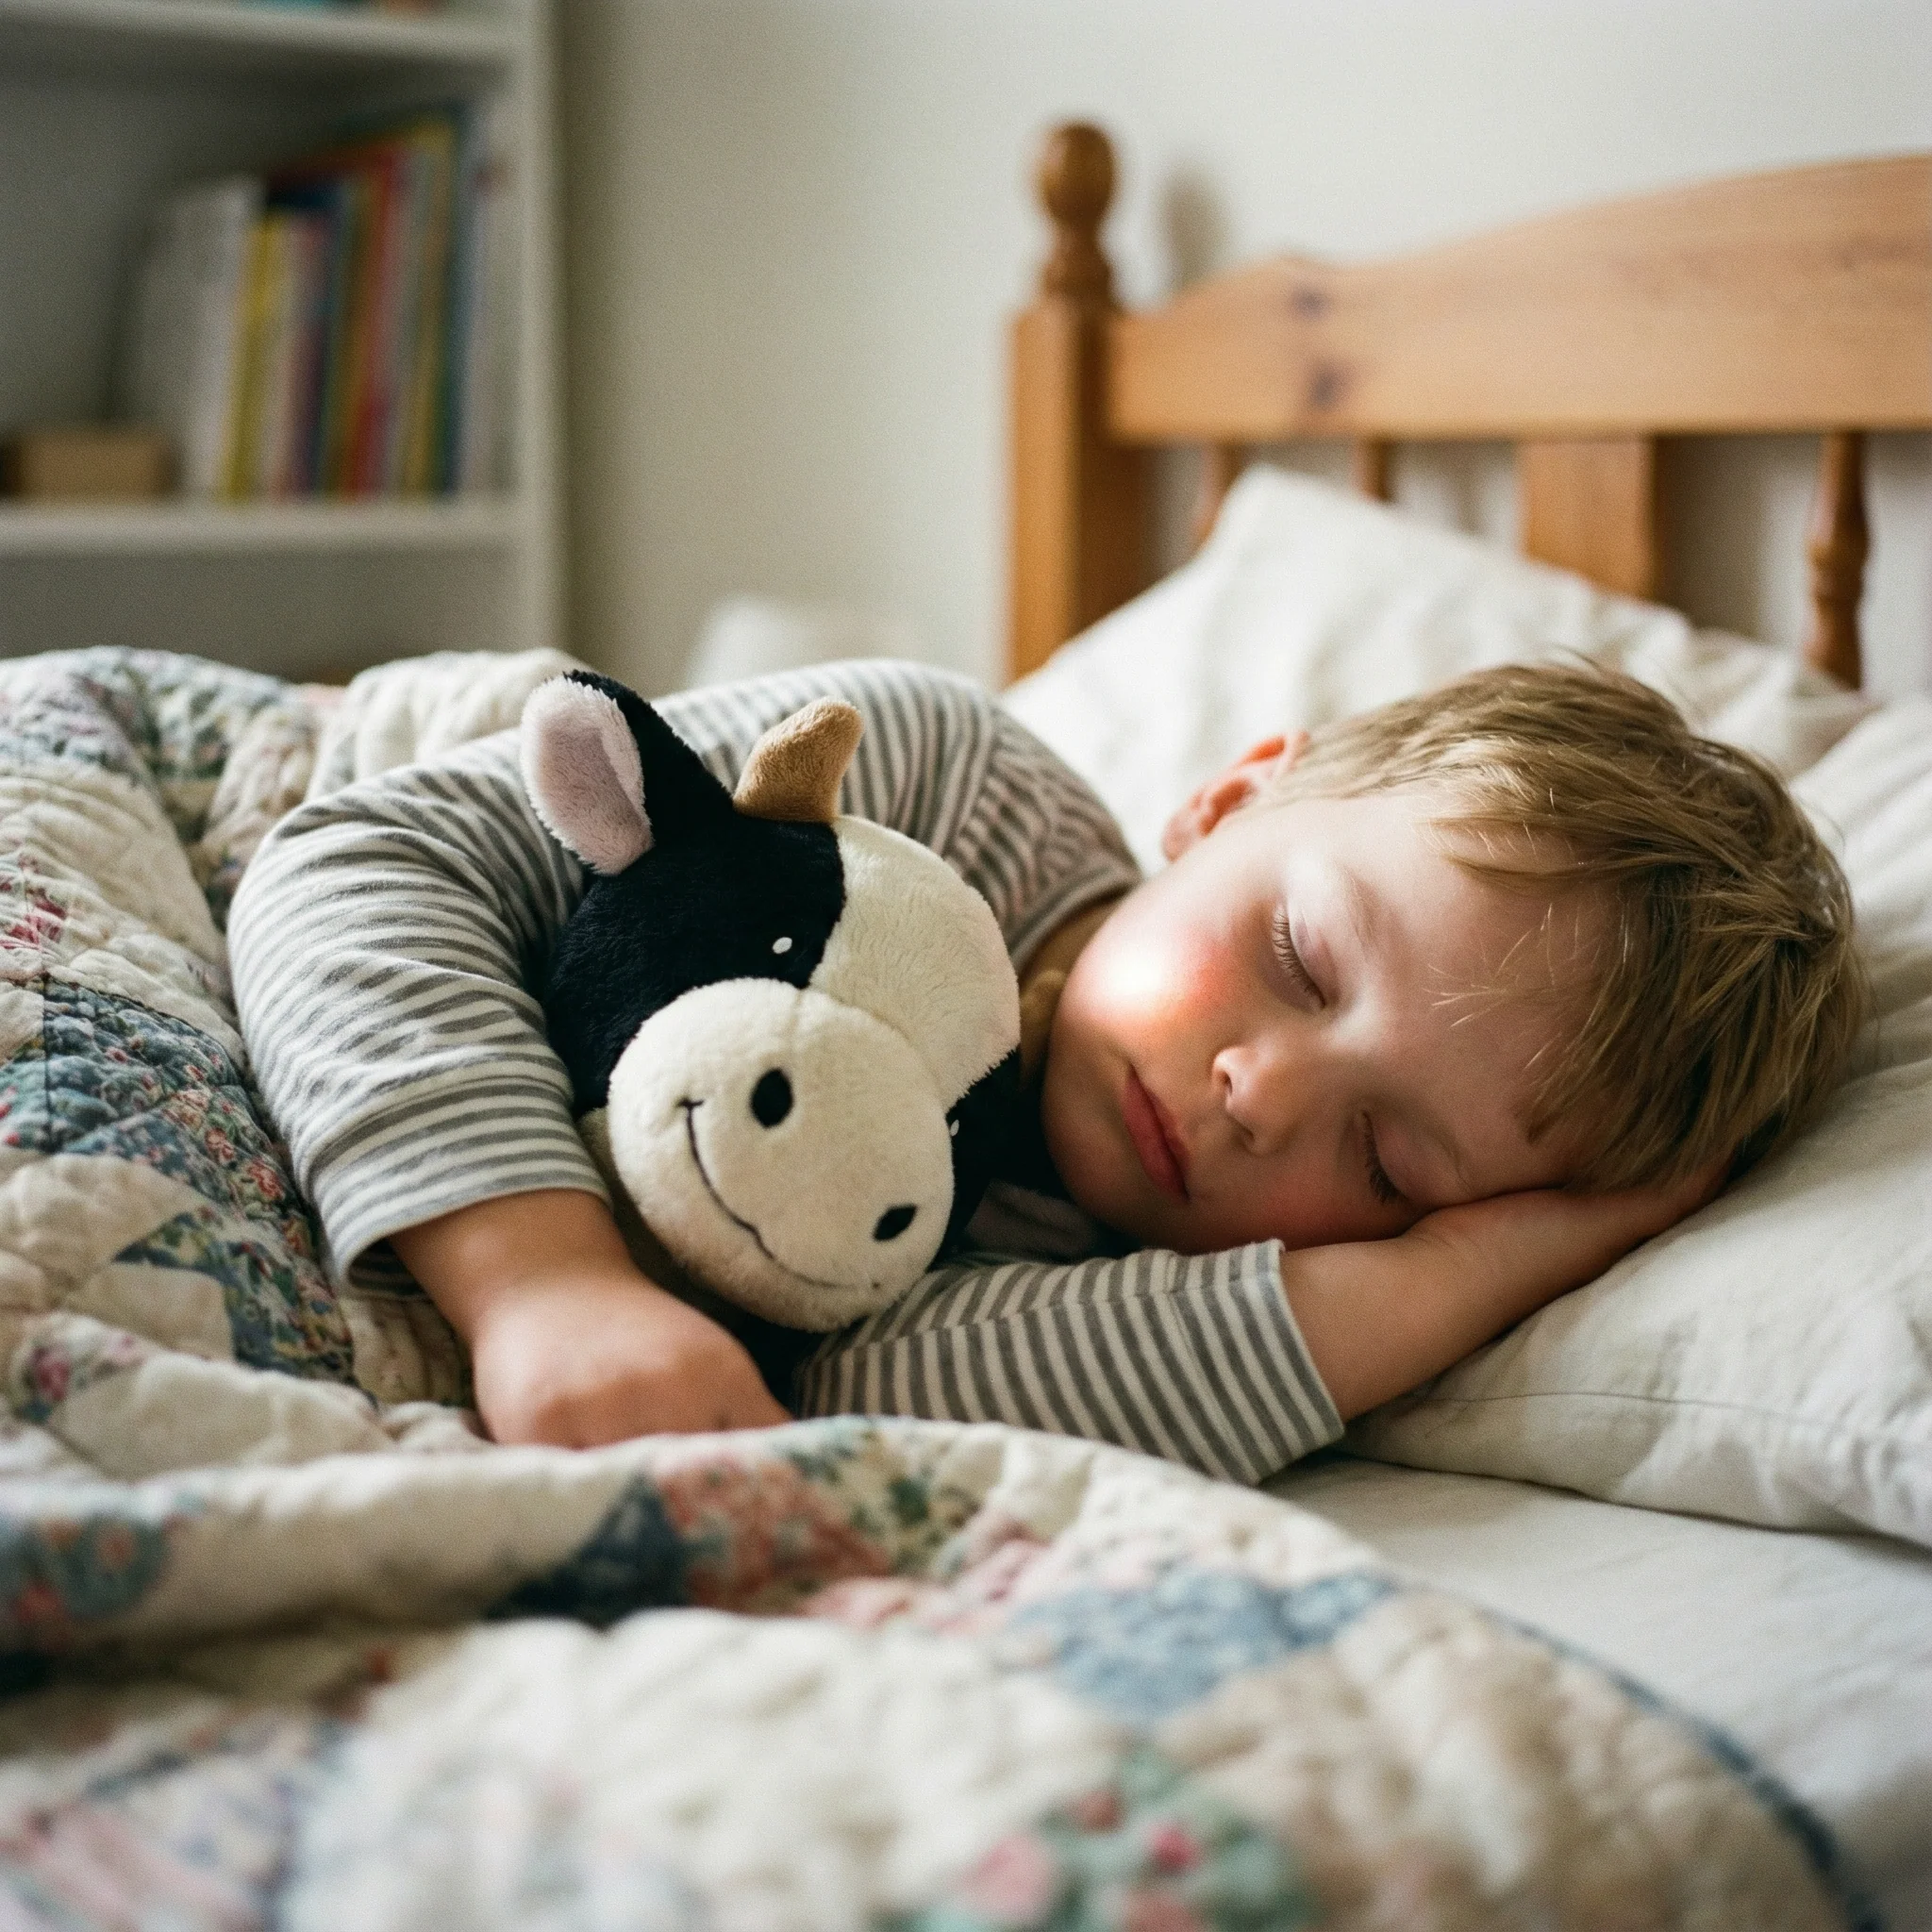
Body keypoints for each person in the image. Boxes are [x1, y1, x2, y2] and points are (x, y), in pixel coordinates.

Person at [228, 658, 1862, 1485]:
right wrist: (538, 1281)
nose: (1264, 1095)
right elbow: (356, 863)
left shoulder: (1105, 1259)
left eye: (1391, 1163)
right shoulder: (932, 777)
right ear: (1226, 806)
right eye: (1298, 960)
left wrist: (1471, 1268)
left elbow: (844, 1385)